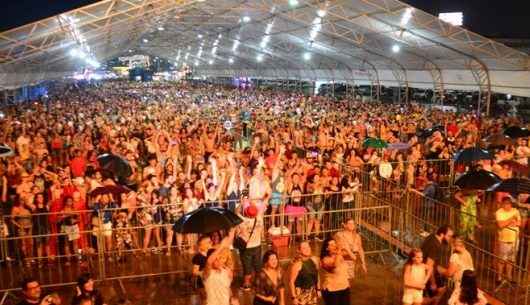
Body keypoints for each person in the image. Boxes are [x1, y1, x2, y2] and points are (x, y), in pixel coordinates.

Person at [420, 225, 454, 305]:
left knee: (440, 289)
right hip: (425, 273)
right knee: (436, 293)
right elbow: (429, 265)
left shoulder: (431, 236)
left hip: (421, 269)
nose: (450, 239)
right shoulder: (436, 245)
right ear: (442, 234)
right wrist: (433, 282)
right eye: (449, 236)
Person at [203, 229, 235, 305]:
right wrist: (222, 246)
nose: (218, 260)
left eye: (220, 258)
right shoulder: (208, 273)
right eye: (215, 258)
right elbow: (209, 261)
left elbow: (228, 288)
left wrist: (232, 298)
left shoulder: (227, 272)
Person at [495, 196, 521, 283]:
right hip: (504, 239)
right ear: (502, 204)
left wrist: (508, 223)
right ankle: (499, 277)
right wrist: (511, 220)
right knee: (502, 260)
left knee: (511, 260)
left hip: (515, 239)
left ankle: (509, 277)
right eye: (505, 204)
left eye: (509, 204)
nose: (507, 206)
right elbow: (500, 225)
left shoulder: (515, 211)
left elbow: (519, 223)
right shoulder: (499, 212)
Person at [238, 204, 264, 291]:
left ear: (246, 213)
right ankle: (258, 283)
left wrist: (241, 204)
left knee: (247, 265)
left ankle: (247, 284)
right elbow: (262, 207)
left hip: (246, 247)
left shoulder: (243, 221)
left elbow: (236, 212)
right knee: (257, 264)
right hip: (257, 245)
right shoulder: (259, 219)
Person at [319, 238, 350, 305]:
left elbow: (354, 257)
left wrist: (347, 249)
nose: (335, 245)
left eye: (335, 243)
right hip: (332, 290)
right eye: (332, 244)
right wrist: (338, 253)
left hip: (344, 287)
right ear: (327, 248)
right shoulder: (325, 260)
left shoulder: (339, 255)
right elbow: (335, 266)